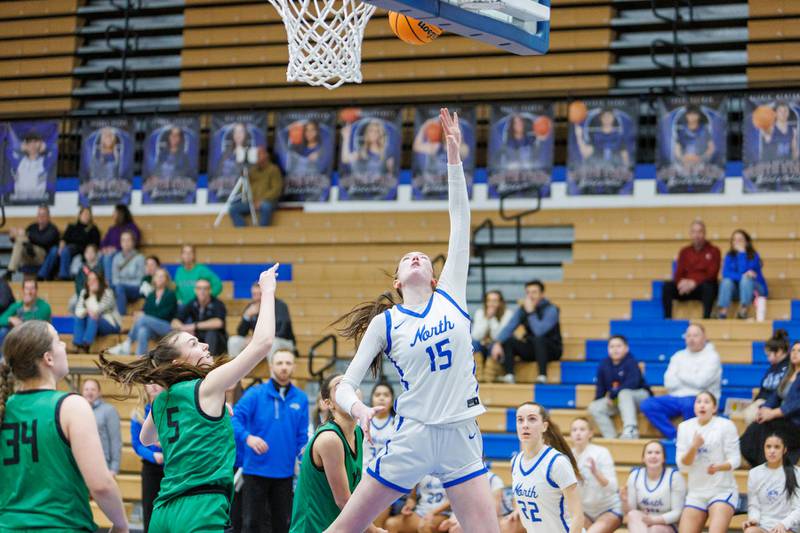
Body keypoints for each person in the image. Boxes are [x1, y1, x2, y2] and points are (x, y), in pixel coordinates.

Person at [327, 110, 498, 533]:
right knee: (345, 529)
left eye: (421, 256)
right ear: (399, 280)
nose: (415, 256)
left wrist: (454, 160)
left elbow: (461, 222)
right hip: (412, 435)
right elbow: (344, 385)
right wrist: (359, 409)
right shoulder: (386, 322)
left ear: (435, 276)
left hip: (460, 430)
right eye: (407, 259)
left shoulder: (451, 296)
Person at [98, 263, 278, 532]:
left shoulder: (161, 400)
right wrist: (268, 290)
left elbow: (148, 439)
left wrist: (204, 419)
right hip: (200, 508)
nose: (205, 345)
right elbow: (262, 343)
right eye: (193, 344)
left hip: (163, 510)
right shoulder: (207, 386)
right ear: (176, 361)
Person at [0, 321, 128, 531]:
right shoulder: (71, 406)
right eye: (59, 341)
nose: (65, 347)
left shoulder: (5, 408)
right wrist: (122, 525)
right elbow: (101, 485)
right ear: (48, 358)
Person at [290, 374, 384, 533]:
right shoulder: (330, 439)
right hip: (312, 528)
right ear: (328, 404)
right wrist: (373, 530)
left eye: (351, 384)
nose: (347, 389)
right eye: (339, 386)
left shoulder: (358, 434)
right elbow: (343, 500)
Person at [232, 349, 309, 533]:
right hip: (255, 471)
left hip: (284, 474)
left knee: (281, 526)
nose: (284, 367)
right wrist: (248, 438)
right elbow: (233, 419)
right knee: (251, 524)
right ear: (271, 366)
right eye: (280, 363)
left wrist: (303, 457)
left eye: (288, 363)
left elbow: (302, 436)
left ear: (294, 367)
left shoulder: (301, 398)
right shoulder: (255, 394)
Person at [503, 402, 583, 533]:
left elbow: (578, 517)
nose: (525, 425)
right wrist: (518, 509)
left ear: (544, 426)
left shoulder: (557, 462)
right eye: (520, 420)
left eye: (532, 419)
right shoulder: (515, 461)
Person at [640, 323, 721, 440]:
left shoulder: (712, 357)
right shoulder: (678, 356)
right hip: (676, 397)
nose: (691, 339)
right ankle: (675, 436)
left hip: (699, 398)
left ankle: (690, 439)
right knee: (647, 404)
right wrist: (692, 377)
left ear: (704, 337)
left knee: (689, 404)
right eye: (688, 336)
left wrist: (680, 374)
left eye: (695, 335)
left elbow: (701, 382)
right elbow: (669, 383)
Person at [676, 391, 740, 533]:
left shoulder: (726, 425)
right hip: (696, 493)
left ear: (715, 408)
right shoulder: (684, 427)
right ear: (694, 407)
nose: (702, 405)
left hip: (722, 491)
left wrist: (719, 467)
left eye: (706, 402)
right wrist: (694, 447)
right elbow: (682, 466)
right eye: (698, 402)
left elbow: (736, 460)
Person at [740, 339, 800, 466]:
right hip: (782, 420)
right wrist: (765, 408)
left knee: (767, 428)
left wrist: (773, 413)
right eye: (793, 350)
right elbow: (775, 395)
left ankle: (768, 466)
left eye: (799, 351)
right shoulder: (788, 374)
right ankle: (759, 466)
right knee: (755, 427)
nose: (795, 353)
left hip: (795, 423)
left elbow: (796, 404)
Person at [490, 280, 562, 384]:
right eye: (528, 293)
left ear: (542, 294)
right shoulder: (523, 309)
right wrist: (497, 343)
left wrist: (531, 312)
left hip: (552, 349)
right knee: (509, 340)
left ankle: (542, 376)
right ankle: (510, 375)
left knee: (538, 339)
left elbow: (539, 331)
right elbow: (509, 327)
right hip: (533, 348)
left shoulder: (551, 309)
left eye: (534, 292)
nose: (530, 296)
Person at [588, 335, 651, 439]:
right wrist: (600, 400)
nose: (615, 349)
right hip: (618, 399)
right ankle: (611, 437)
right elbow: (600, 388)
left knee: (624, 393)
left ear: (626, 348)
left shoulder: (631, 361)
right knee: (594, 406)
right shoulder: (603, 364)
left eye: (618, 346)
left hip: (640, 397)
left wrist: (612, 395)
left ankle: (631, 430)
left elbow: (632, 384)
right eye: (612, 346)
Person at [109, 267, 178, 356]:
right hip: (152, 327)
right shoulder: (151, 295)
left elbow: (165, 315)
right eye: (157, 276)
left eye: (162, 276)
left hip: (166, 327)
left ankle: (128, 342)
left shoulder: (170, 294)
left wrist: (145, 315)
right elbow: (146, 310)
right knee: (142, 331)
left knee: (143, 318)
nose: (159, 278)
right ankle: (141, 359)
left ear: (166, 279)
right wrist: (143, 314)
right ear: (154, 278)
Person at [570, 417, 623, 533]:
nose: (578, 433)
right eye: (574, 430)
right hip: (584, 512)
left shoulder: (601, 453)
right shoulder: (568, 457)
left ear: (590, 433)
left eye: (582, 429)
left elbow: (613, 488)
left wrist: (596, 473)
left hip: (608, 509)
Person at [661, 220, 721, 319]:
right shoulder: (684, 251)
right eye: (694, 232)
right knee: (667, 287)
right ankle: (667, 319)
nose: (696, 235)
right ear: (690, 234)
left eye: (699, 232)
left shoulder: (714, 250)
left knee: (710, 287)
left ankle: (706, 318)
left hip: (702, 287)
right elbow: (678, 273)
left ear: (704, 233)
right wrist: (682, 283)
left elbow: (712, 274)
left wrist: (694, 282)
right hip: (685, 289)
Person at [623, 440, 686, 533]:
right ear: (643, 458)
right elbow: (631, 510)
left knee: (654, 529)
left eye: (657, 453)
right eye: (649, 452)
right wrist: (624, 501)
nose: (653, 456)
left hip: (667, 524)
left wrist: (653, 521)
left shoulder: (674, 477)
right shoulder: (635, 475)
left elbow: (677, 513)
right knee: (633, 515)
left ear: (664, 458)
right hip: (644, 523)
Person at [743, 433, 800, 533]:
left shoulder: (796, 473)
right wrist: (753, 520)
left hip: (787, 527)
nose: (772, 451)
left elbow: (798, 508)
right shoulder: (754, 473)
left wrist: (783, 524)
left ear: (784, 450)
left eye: (777, 447)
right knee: (750, 531)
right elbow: (754, 505)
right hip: (763, 526)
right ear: (764, 448)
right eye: (768, 447)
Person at [228, 281, 295, 358]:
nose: (256, 297)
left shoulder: (280, 306)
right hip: (259, 342)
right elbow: (241, 333)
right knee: (234, 341)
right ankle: (237, 369)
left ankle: (273, 369)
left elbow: (282, 332)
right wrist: (247, 316)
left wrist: (258, 340)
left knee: (272, 343)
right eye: (254, 294)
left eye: (259, 294)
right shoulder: (251, 306)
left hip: (282, 341)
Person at [131, 383, 165, 532]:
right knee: (149, 511)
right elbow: (137, 444)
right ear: (144, 387)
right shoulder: (138, 413)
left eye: (157, 381)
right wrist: (153, 455)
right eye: (149, 382)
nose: (154, 386)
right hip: (151, 468)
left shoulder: (170, 409)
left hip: (172, 467)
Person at [740, 330, 792, 425]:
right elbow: (762, 390)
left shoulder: (790, 368)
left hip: (775, 405)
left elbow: (780, 393)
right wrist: (755, 403)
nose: (768, 359)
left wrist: (765, 406)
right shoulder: (771, 368)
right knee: (746, 413)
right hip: (763, 403)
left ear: (779, 351)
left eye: (769, 355)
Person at [715, 229, 768, 319]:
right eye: (734, 240)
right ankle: (723, 312)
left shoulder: (754, 255)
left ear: (746, 242)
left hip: (755, 289)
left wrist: (742, 254)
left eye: (740, 240)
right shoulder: (729, 256)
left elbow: (746, 272)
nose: (737, 242)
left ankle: (744, 310)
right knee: (727, 281)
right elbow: (726, 274)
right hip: (738, 290)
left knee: (746, 279)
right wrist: (742, 276)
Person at [172, 278, 228, 357]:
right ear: (195, 290)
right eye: (199, 288)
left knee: (211, 333)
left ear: (210, 290)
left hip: (218, 341)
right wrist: (184, 328)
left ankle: (209, 362)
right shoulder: (192, 303)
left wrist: (194, 326)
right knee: (184, 335)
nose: (202, 291)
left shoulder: (217, 304)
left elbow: (218, 323)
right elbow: (175, 321)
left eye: (205, 288)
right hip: (199, 338)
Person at [230, 147, 283, 227]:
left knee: (266, 206)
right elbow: (242, 189)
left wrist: (261, 200)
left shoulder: (273, 169)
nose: (256, 156)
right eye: (256, 154)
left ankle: (262, 231)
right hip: (252, 202)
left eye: (259, 154)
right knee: (233, 208)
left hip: (267, 201)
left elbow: (276, 189)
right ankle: (242, 231)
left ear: (266, 155)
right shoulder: (252, 170)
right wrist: (243, 177)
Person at [72, 271, 122, 353]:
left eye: (94, 280)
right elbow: (78, 312)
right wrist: (86, 311)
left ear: (100, 281)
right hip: (92, 324)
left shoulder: (108, 292)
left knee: (92, 317)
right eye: (89, 280)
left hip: (110, 324)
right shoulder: (84, 292)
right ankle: (79, 345)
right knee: (79, 317)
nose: (91, 282)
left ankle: (86, 344)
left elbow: (96, 311)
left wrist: (92, 295)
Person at [7, 204, 60, 279]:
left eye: (43, 214)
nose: (40, 216)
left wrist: (26, 235)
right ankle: (10, 271)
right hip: (29, 254)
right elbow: (22, 239)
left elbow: (43, 241)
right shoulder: (32, 227)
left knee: (23, 237)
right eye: (39, 214)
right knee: (19, 240)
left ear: (48, 216)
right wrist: (13, 237)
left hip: (43, 258)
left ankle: (10, 271)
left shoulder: (53, 229)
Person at [81, 378, 122, 475]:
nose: (89, 392)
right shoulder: (78, 411)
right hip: (81, 464)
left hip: (102, 464)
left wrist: (114, 468)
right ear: (82, 392)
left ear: (99, 392)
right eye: (86, 389)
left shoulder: (109, 410)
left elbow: (115, 440)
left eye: (93, 389)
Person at [384, 475, 452, 533]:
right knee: (391, 523)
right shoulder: (421, 470)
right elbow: (412, 498)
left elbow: (453, 500)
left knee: (424, 526)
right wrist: (408, 506)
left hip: (443, 513)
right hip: (421, 512)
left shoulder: (450, 470)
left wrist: (432, 512)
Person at [0, 279, 52, 351]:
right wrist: (10, 319)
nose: (29, 292)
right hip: (20, 337)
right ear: (23, 290)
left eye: (32, 288)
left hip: (38, 338)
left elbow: (36, 324)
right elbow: (1, 319)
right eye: (27, 288)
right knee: (4, 331)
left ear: (36, 290)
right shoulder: (17, 305)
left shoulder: (44, 306)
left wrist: (28, 307)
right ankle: (3, 360)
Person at [53, 206, 101, 281]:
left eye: (88, 214)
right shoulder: (72, 227)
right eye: (84, 214)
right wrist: (61, 246)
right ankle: (44, 275)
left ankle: (64, 276)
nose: (86, 216)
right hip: (70, 248)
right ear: (79, 215)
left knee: (66, 251)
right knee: (54, 250)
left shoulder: (93, 229)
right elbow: (64, 239)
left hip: (84, 250)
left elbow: (95, 244)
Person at [99, 204, 141, 283]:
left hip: (123, 252)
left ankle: (109, 283)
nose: (112, 214)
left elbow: (134, 241)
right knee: (98, 255)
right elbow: (103, 242)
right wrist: (104, 249)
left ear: (120, 213)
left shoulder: (132, 227)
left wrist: (115, 248)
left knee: (107, 257)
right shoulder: (112, 228)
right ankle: (99, 281)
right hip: (109, 252)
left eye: (115, 212)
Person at [471, 290, 514, 362]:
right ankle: (476, 370)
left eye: (495, 301)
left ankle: (492, 370)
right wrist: (487, 319)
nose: (491, 304)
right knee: (473, 344)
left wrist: (492, 318)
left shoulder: (508, 313)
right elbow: (475, 336)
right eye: (489, 300)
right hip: (482, 344)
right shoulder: (480, 312)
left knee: (493, 346)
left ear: (500, 302)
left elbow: (497, 337)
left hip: (499, 345)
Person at [110, 230, 145, 315]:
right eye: (123, 240)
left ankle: (121, 316)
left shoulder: (140, 258)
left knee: (119, 287)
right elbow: (114, 278)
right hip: (119, 288)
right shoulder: (116, 257)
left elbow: (140, 280)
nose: (125, 243)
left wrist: (122, 284)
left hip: (135, 289)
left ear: (133, 242)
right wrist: (120, 284)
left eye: (128, 240)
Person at [12, 131, 47, 201]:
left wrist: (44, 149)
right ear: (25, 145)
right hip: (19, 201)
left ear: (41, 143)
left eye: (35, 141)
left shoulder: (45, 161)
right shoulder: (20, 162)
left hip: (38, 200)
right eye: (29, 142)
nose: (32, 145)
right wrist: (21, 148)